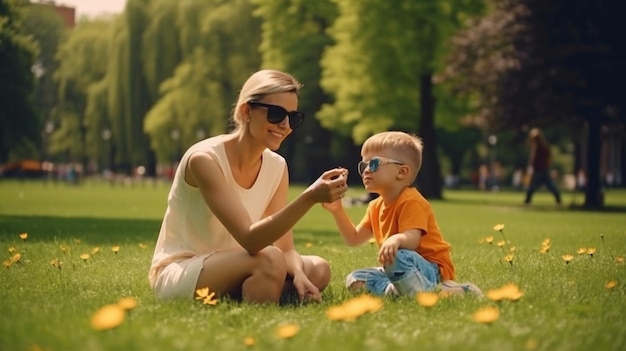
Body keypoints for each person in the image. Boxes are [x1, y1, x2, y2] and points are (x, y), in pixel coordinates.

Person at [148, 69, 348, 304]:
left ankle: (256, 286)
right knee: (270, 259)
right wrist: (310, 197)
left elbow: (286, 247)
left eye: (293, 118)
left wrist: (300, 275)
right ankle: (259, 301)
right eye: (276, 114)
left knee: (319, 268)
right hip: (184, 269)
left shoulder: (277, 166)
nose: (285, 125)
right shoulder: (205, 159)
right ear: (246, 111)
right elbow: (250, 239)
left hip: (243, 260)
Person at [322, 131, 482, 297]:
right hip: (398, 267)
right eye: (364, 165)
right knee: (355, 279)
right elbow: (354, 239)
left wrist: (396, 239)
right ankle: (398, 292)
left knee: (397, 256)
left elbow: (412, 240)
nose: (366, 171)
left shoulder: (411, 200)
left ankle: (446, 291)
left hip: (430, 268)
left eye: (374, 163)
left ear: (402, 172)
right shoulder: (375, 206)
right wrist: (338, 211)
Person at [524, 128, 562, 205]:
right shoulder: (545, 145)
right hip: (544, 168)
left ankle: (527, 200)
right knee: (550, 184)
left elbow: (533, 157)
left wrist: (530, 165)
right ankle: (558, 199)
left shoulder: (536, 146)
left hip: (538, 169)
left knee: (532, 185)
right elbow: (549, 157)